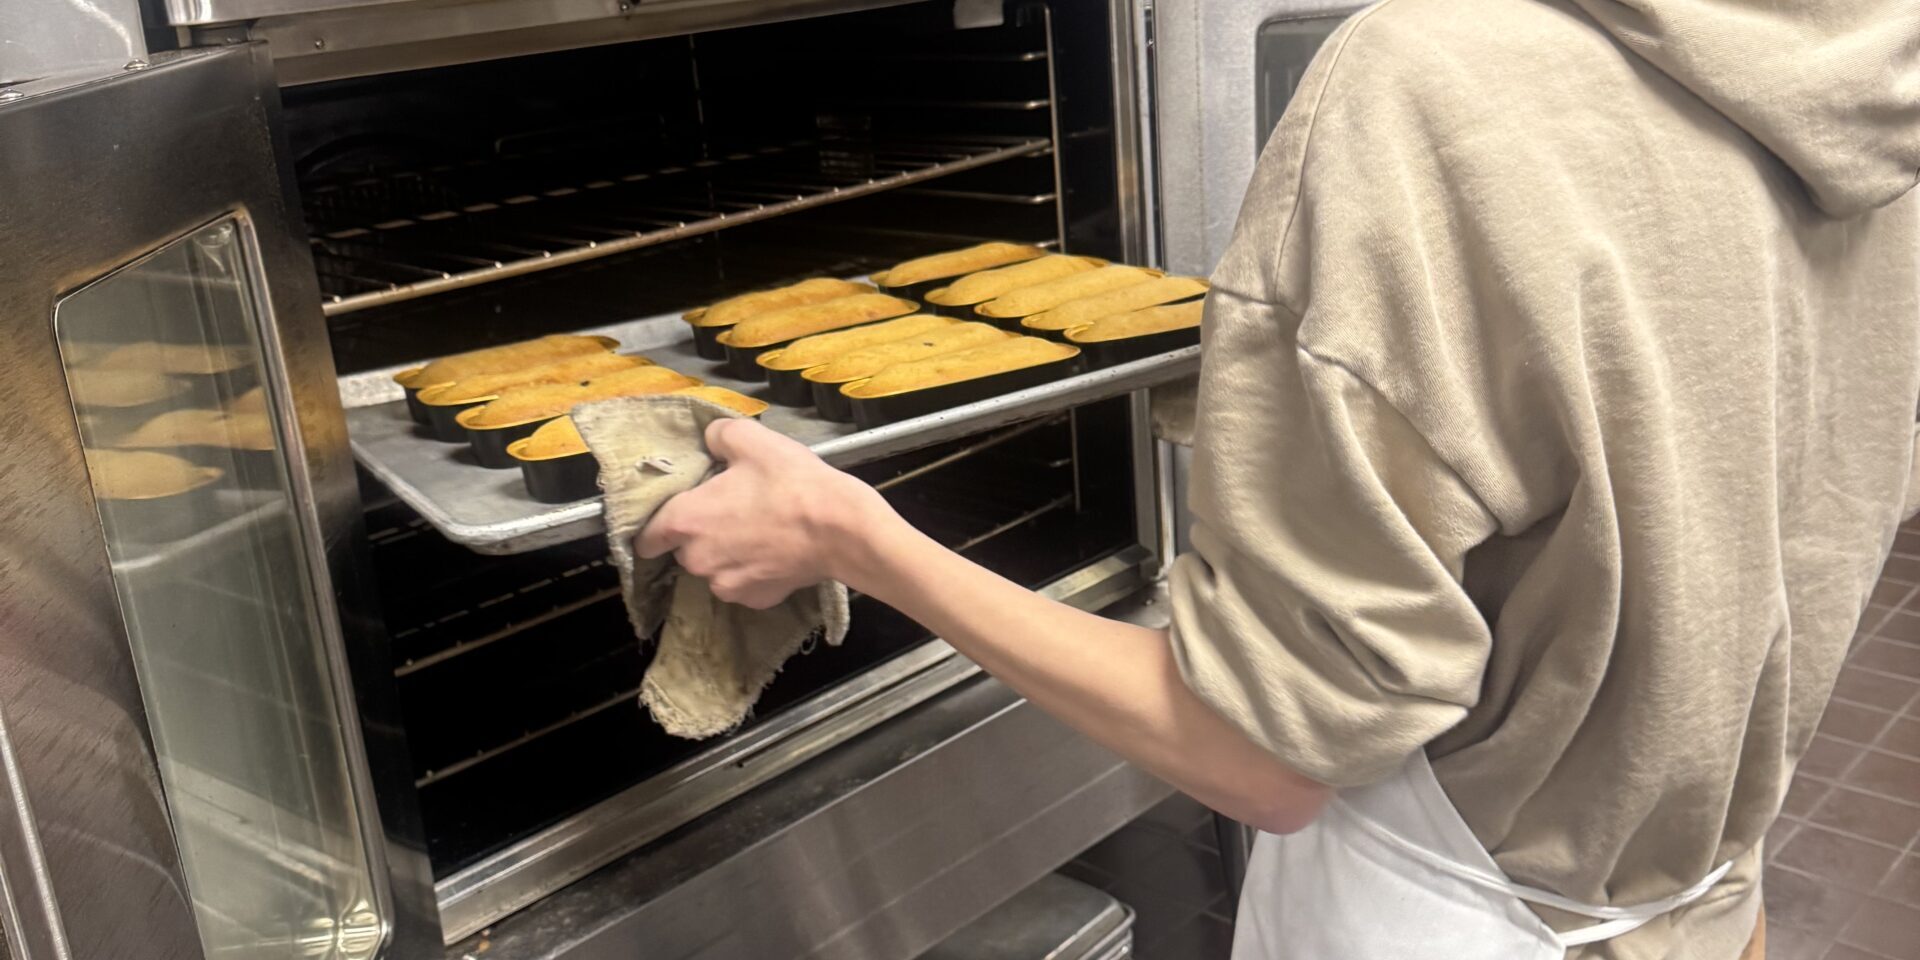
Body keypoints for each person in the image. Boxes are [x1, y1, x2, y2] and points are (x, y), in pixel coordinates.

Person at [636, 0, 1920, 956]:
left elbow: (1264, 763)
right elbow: (1690, 438)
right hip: (1711, 905)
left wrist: (855, 540)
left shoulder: (1431, 81)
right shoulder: (1862, 86)